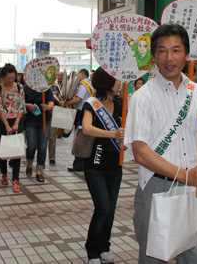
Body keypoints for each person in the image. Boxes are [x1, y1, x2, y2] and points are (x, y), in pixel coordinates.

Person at [124, 23, 197, 264]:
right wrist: (183, 175)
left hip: (194, 189)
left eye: (176, 50)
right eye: (162, 51)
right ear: (153, 56)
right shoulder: (142, 97)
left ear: (187, 55)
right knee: (154, 258)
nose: (169, 58)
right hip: (157, 187)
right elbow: (140, 152)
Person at [82, 67, 125, 264]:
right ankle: (92, 251)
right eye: (116, 79)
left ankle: (104, 247)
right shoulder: (91, 104)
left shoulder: (119, 104)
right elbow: (87, 128)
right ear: (108, 82)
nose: (120, 83)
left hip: (115, 166)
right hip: (95, 166)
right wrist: (113, 134)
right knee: (103, 208)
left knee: (111, 210)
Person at [0, 63, 25, 193]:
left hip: (17, 121)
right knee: (4, 148)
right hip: (3, 122)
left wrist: (16, 123)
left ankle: (15, 180)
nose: (11, 80)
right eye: (8, 78)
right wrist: (7, 125)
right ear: (3, 77)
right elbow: (0, 108)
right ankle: (4, 173)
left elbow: (21, 106)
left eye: (13, 78)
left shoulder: (20, 87)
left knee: (16, 150)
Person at [64, 69, 93, 172]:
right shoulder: (90, 85)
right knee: (84, 138)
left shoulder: (83, 85)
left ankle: (79, 165)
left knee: (79, 139)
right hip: (87, 112)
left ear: (82, 75)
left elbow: (79, 99)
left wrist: (66, 103)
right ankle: (83, 164)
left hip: (81, 113)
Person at [24, 84, 54, 183]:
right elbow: (19, 102)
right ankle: (29, 163)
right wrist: (27, 105)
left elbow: (51, 103)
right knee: (31, 145)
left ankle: (39, 170)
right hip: (30, 121)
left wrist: (47, 107)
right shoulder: (26, 88)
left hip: (44, 121)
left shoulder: (46, 88)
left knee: (42, 146)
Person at [48, 71, 64, 165]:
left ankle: (52, 157)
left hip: (54, 112)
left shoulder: (55, 86)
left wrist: (61, 102)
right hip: (42, 113)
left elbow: (59, 98)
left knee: (52, 136)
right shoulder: (41, 86)